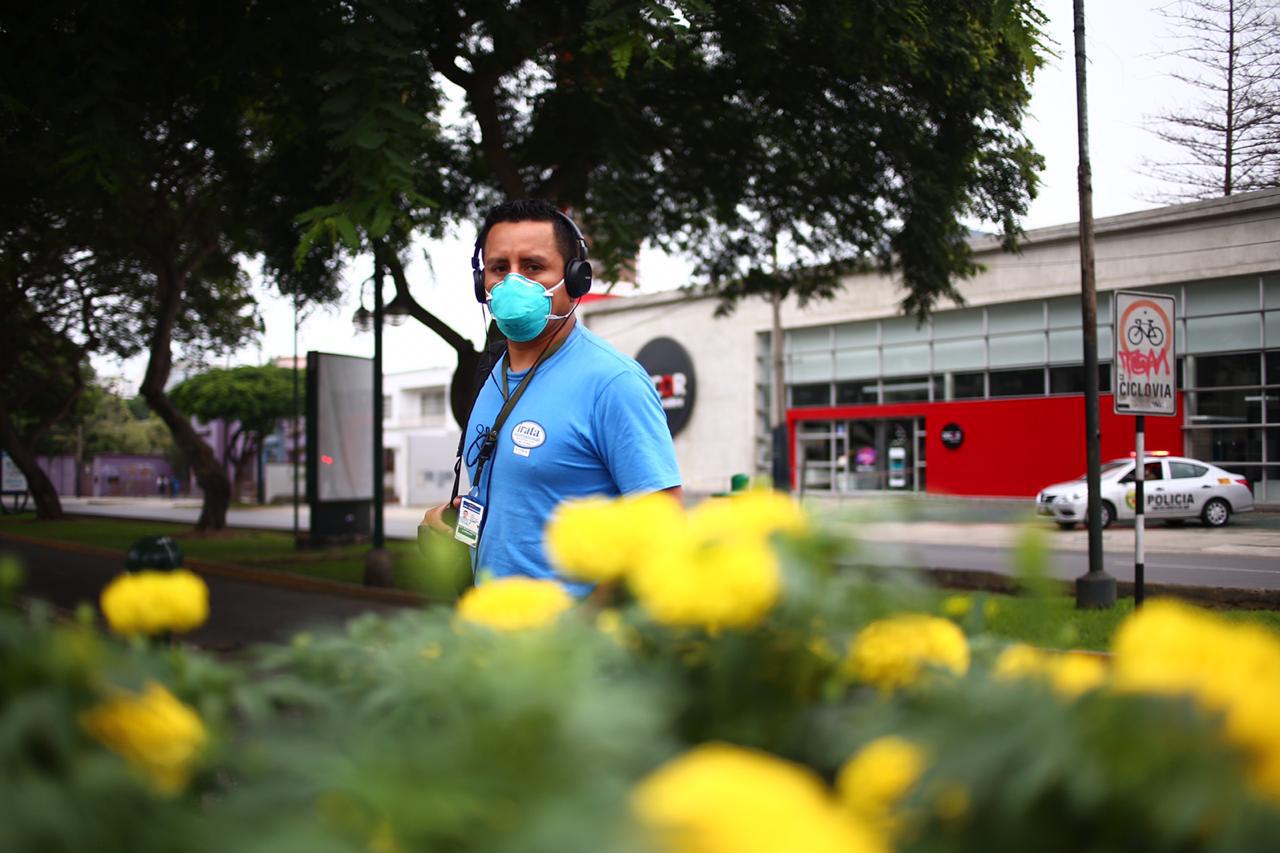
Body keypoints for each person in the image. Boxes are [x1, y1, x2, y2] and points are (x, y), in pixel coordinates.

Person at [421, 199, 682, 594]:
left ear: (575, 279)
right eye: (498, 268)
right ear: (482, 283)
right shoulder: (493, 377)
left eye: (532, 267)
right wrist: (453, 523)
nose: (512, 283)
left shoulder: (613, 383)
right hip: (489, 634)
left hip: (569, 648)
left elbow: (663, 528)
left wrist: (589, 625)